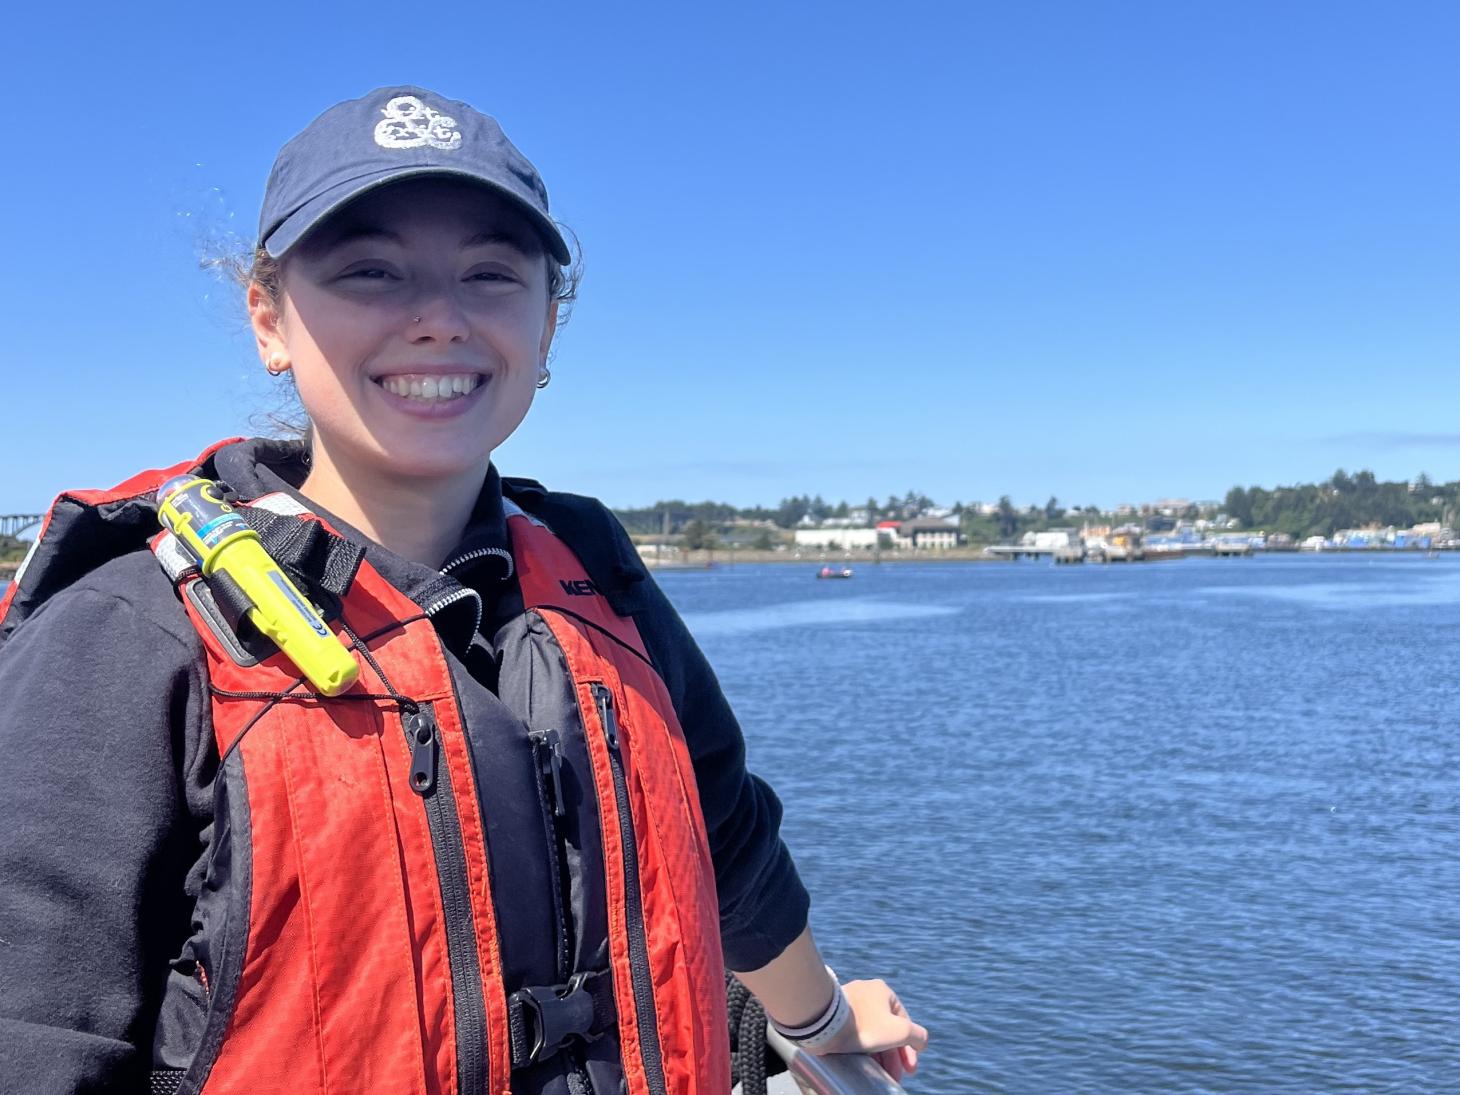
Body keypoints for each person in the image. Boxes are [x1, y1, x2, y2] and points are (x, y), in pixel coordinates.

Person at [0, 87, 928, 1094]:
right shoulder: (125, 632)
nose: (438, 319)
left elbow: (726, 839)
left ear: (546, 326)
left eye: (490, 274)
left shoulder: (596, 576)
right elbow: (37, 1032)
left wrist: (823, 1023)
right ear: (267, 318)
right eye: (369, 272)